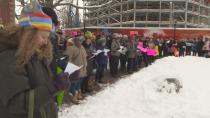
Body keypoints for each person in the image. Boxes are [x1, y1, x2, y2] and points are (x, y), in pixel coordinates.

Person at [0, 1, 70, 118]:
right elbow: (15, 103)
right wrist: (53, 86)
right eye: (43, 37)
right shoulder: (10, 57)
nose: (45, 42)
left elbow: (42, 87)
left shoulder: (35, 53)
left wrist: (60, 82)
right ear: (29, 34)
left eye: (47, 38)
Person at [65, 35, 87, 104]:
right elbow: (67, 59)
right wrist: (73, 66)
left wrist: (85, 64)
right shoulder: (71, 47)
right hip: (75, 69)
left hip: (82, 68)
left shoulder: (82, 47)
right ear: (76, 40)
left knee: (79, 83)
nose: (81, 42)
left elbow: (85, 56)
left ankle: (78, 94)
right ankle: (73, 96)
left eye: (82, 41)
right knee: (74, 83)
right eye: (80, 40)